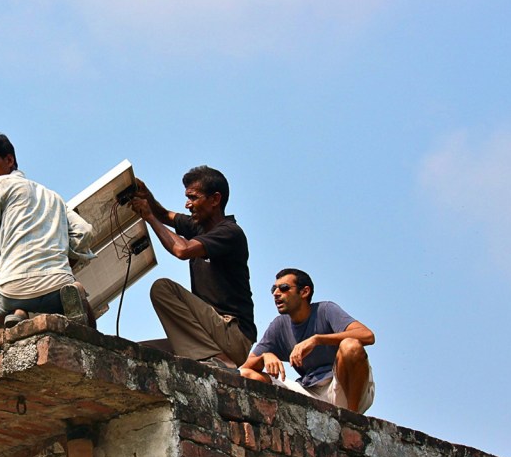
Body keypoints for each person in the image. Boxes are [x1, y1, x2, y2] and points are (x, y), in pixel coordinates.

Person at [129, 166, 256, 369]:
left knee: (162, 288)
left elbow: (182, 250)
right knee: (138, 355)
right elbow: (164, 214)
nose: (188, 204)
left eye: (193, 198)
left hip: (233, 335)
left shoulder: (229, 233)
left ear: (215, 199)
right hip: (209, 333)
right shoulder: (199, 226)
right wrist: (148, 197)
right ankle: (210, 357)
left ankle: (218, 360)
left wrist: (149, 218)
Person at [0, 132, 95, 328]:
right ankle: (72, 300)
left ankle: (19, 314)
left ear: (9, 160)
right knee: (77, 304)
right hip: (58, 285)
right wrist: (62, 262)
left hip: (13, 290)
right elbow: (84, 231)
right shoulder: (53, 196)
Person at [239, 268, 375, 413]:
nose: (276, 293)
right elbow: (245, 368)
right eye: (274, 289)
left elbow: (367, 335)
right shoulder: (279, 325)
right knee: (246, 375)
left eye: (284, 288)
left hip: (343, 389)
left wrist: (317, 340)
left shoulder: (325, 310)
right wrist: (265, 357)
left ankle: (353, 419)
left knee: (350, 346)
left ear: (304, 292)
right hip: (309, 391)